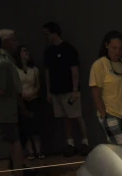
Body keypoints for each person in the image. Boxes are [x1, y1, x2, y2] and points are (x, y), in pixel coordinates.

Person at [42, 22, 90, 157]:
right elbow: (47, 72)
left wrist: (75, 89)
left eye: (47, 34)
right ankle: (70, 144)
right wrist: (49, 91)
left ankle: (85, 142)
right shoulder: (48, 51)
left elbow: (74, 70)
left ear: (54, 33)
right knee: (64, 118)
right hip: (56, 91)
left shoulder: (69, 49)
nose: (46, 37)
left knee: (77, 115)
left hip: (69, 90)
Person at [90, 31, 122, 150]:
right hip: (112, 113)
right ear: (106, 45)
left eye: (120, 48)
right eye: (114, 48)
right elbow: (95, 91)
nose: (117, 51)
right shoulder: (100, 65)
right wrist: (103, 114)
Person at [0, 29, 28, 176]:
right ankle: (16, 175)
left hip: (7, 109)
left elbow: (2, 90)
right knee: (12, 142)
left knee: (14, 142)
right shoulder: (6, 59)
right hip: (6, 109)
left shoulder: (2, 62)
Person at [16, 45, 45, 159]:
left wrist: (32, 94)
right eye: (23, 51)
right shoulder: (15, 69)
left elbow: (38, 85)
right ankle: (30, 151)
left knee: (36, 126)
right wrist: (22, 95)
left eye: (27, 51)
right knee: (24, 126)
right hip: (22, 100)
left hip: (34, 99)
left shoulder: (34, 69)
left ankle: (38, 151)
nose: (26, 53)